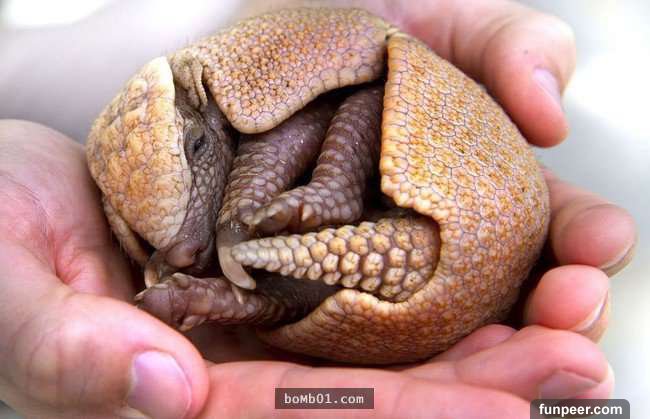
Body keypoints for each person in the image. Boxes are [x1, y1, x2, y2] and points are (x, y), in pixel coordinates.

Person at [0, 0, 636, 417]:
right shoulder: (187, 216)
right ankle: (238, 295)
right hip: (307, 286)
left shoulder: (270, 69)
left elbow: (311, 122)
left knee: (333, 153)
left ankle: (304, 222)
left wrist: (265, 202)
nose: (185, 251)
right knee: (285, 284)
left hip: (448, 197)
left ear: (202, 118)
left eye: (194, 148)